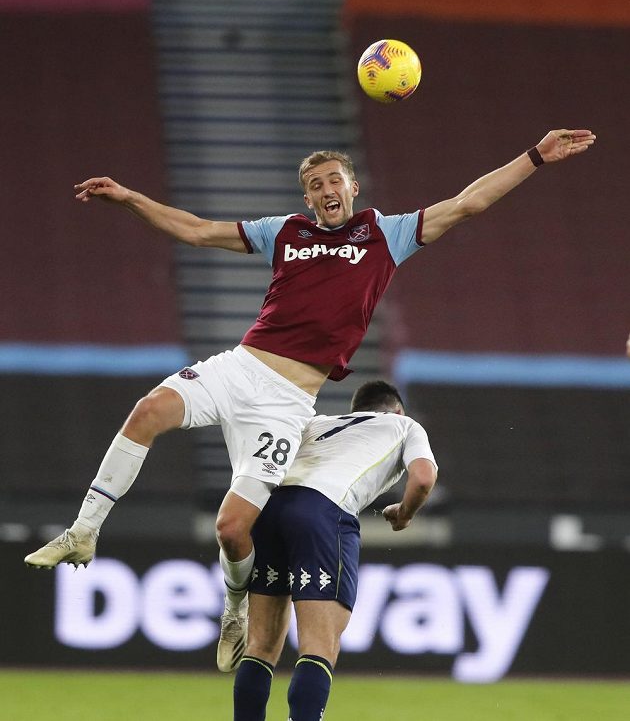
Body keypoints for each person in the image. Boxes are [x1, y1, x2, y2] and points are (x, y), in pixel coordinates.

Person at [24, 128, 596, 673]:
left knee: (231, 529)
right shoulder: (285, 231)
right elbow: (196, 230)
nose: (327, 190)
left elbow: (468, 204)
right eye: (316, 183)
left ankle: (234, 606)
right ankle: (85, 530)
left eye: (335, 180)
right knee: (148, 410)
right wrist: (127, 198)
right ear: (308, 196)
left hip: (286, 402)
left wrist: (537, 156)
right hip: (240, 366)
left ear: (353, 188)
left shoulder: (385, 235)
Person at [233, 379, 437, 721]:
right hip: (323, 512)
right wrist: (404, 513)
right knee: (319, 646)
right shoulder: (405, 425)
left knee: (261, 647)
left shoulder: (318, 422)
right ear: (397, 409)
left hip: (268, 508)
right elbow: (423, 479)